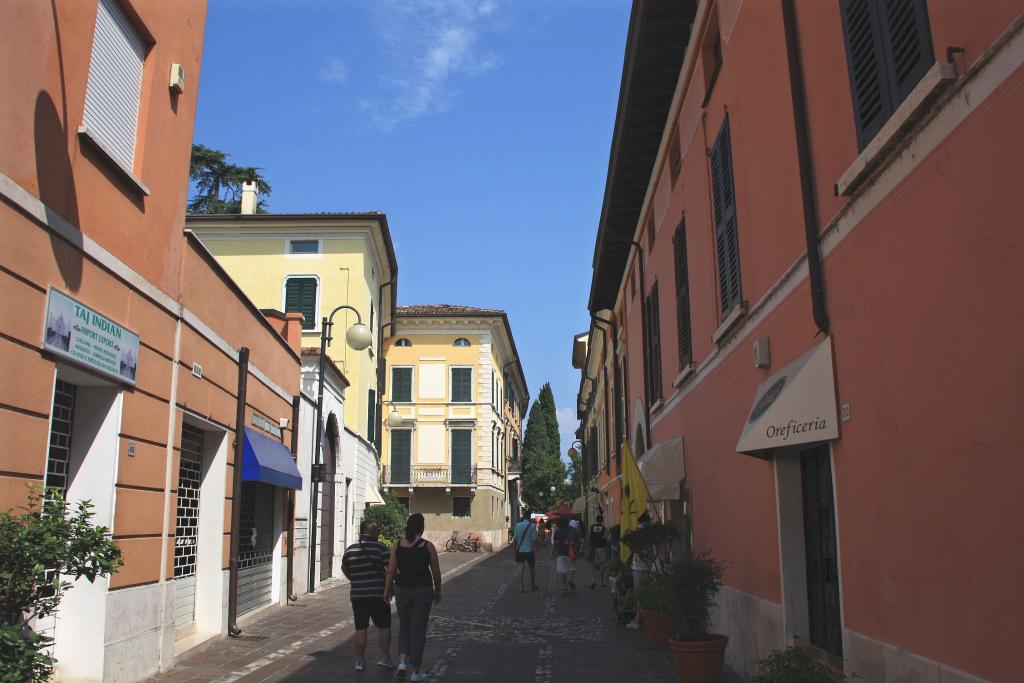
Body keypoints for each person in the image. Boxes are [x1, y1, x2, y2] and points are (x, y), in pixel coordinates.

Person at [384, 513, 442, 682]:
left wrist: (387, 591)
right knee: (418, 630)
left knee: (404, 627)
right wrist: (438, 590)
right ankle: (416, 671)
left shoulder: (397, 546)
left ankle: (402, 663)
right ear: (421, 528)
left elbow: (391, 570)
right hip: (423, 590)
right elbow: (436, 572)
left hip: (402, 590)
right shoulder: (428, 546)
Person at [341, 520, 395, 672]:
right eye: (377, 531)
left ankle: (359, 660)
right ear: (371, 532)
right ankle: (384, 656)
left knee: (360, 627)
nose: (379, 533)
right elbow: (390, 569)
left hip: (358, 594)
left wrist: (355, 579)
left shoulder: (350, 550)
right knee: (384, 626)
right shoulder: (381, 548)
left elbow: (344, 567)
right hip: (379, 594)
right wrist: (390, 585)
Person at [550, 515, 581, 595]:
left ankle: (564, 586)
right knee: (572, 568)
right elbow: (578, 542)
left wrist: (552, 552)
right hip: (572, 552)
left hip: (561, 552)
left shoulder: (557, 531)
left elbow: (555, 543)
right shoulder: (574, 530)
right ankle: (570, 579)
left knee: (563, 570)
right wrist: (577, 550)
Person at [512, 508, 538, 593]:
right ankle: (533, 585)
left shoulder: (518, 525)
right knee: (532, 568)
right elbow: (534, 540)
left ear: (523, 517)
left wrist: (514, 549)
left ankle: (521, 587)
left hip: (520, 550)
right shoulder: (533, 526)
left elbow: (515, 539)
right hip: (530, 550)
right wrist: (536, 551)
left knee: (520, 568)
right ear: (529, 517)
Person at [587, 514, 608, 589]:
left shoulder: (592, 527)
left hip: (593, 547)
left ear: (596, 520)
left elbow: (589, 537)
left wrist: (589, 546)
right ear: (602, 520)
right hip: (601, 547)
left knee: (592, 566)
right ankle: (602, 582)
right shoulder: (604, 528)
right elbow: (606, 537)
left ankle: (594, 581)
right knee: (602, 565)